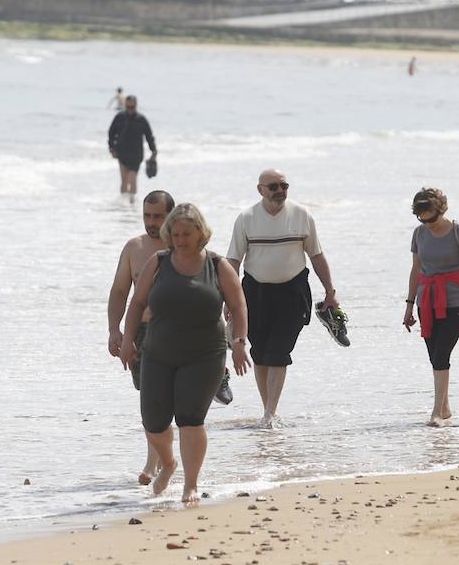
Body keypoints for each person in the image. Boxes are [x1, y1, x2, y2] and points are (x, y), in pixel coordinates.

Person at [119, 204, 250, 504]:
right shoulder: (159, 261)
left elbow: (239, 305)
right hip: (158, 352)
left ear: (200, 233)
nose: (180, 239)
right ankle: (167, 463)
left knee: (190, 418)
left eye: (186, 234)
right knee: (153, 420)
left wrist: (240, 341)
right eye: (175, 233)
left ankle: (190, 484)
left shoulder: (216, 265)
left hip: (204, 355)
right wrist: (128, 339)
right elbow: (137, 303)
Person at [226, 169, 339, 428]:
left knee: (279, 351)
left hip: (293, 292)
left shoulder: (301, 215)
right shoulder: (246, 218)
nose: (279, 191)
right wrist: (228, 299)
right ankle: (269, 412)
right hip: (254, 292)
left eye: (284, 185)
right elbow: (233, 260)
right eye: (273, 186)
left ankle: (269, 413)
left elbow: (317, 255)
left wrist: (330, 291)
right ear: (260, 190)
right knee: (261, 352)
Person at [403, 188, 459, 427]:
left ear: (441, 210)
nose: (427, 223)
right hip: (426, 302)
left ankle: (436, 412)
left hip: (455, 302)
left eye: (431, 218)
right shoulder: (419, 234)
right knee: (434, 355)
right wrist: (409, 306)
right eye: (421, 218)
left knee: (441, 353)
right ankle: (446, 407)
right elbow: (416, 270)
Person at [108, 190, 175, 485]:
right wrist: (116, 331)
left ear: (170, 216)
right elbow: (120, 291)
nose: (151, 222)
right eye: (147, 216)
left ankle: (155, 461)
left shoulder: (183, 246)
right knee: (150, 398)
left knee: (167, 398)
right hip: (143, 332)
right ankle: (161, 459)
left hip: (176, 332)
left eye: (158, 216)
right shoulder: (134, 247)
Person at [108, 95, 157, 203]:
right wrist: (111, 148)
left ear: (136, 105)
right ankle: (123, 206)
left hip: (136, 154)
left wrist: (153, 151)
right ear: (125, 105)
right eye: (128, 107)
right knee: (124, 180)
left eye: (132, 107)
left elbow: (149, 136)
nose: (130, 109)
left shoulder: (141, 119)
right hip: (122, 153)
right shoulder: (119, 117)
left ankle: (132, 203)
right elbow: (111, 133)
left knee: (132, 179)